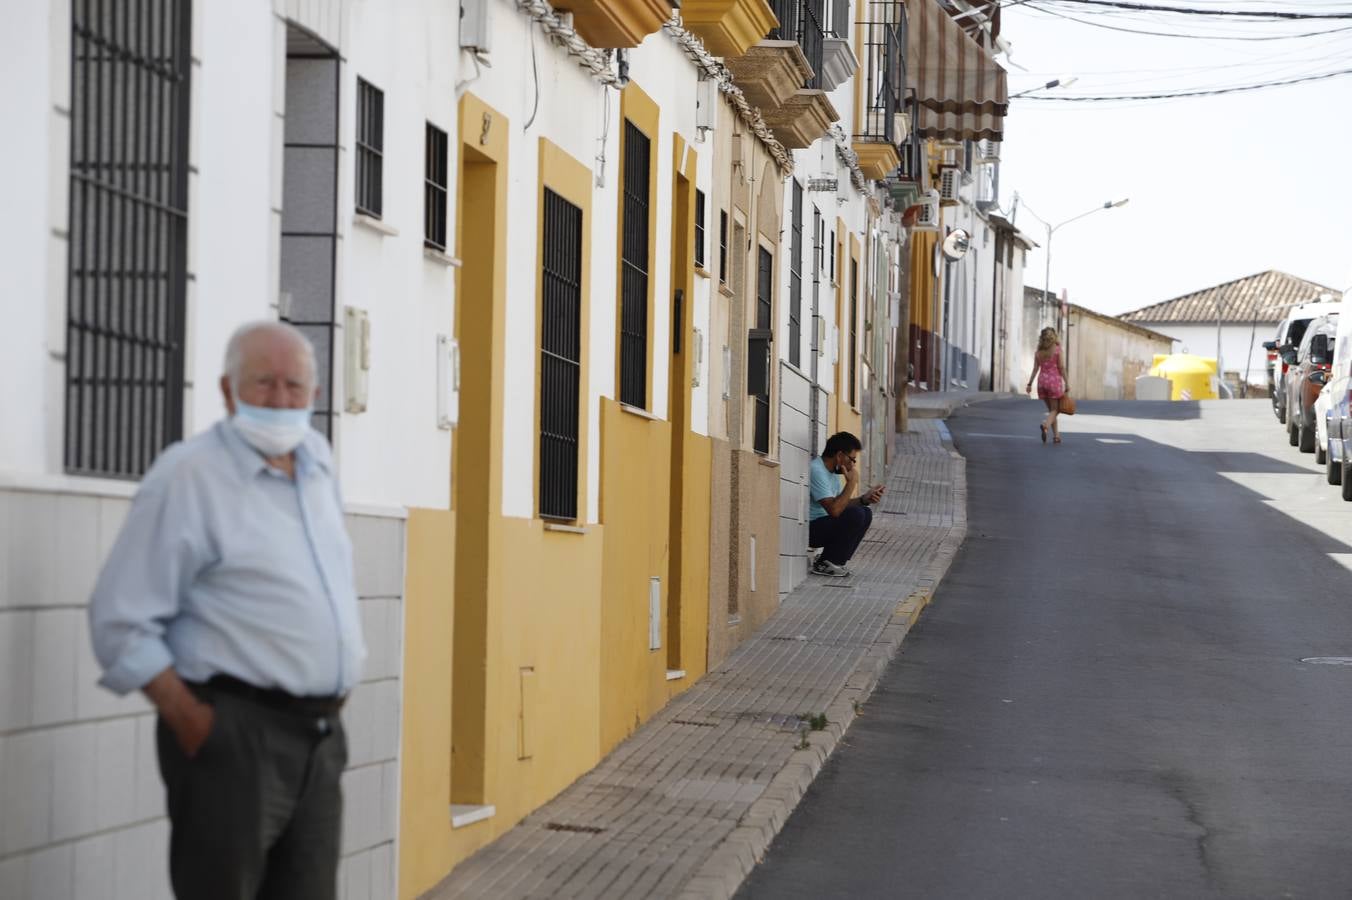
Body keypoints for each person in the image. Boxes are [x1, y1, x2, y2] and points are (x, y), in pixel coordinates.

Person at [89, 320, 365, 900]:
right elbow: (120, 618)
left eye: (294, 386)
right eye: (263, 383)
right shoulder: (189, 475)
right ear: (227, 389)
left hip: (319, 737)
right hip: (234, 737)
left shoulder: (317, 463)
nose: (280, 399)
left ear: (314, 394)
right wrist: (195, 724)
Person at [808, 431, 885, 576]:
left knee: (865, 512)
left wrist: (864, 499)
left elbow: (840, 503)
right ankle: (826, 563)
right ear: (839, 456)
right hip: (810, 530)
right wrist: (852, 482)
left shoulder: (832, 473)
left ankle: (835, 561)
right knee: (856, 514)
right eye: (852, 459)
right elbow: (835, 510)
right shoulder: (817, 470)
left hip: (824, 524)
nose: (853, 465)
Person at [1027, 326, 1069, 444]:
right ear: (1053, 337)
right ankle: (1045, 425)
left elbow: (1035, 369)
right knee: (1056, 409)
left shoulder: (1038, 352)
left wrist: (1029, 384)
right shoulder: (1057, 350)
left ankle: (1056, 436)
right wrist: (1067, 382)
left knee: (1051, 410)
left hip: (1041, 383)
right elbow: (1061, 367)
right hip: (1054, 383)